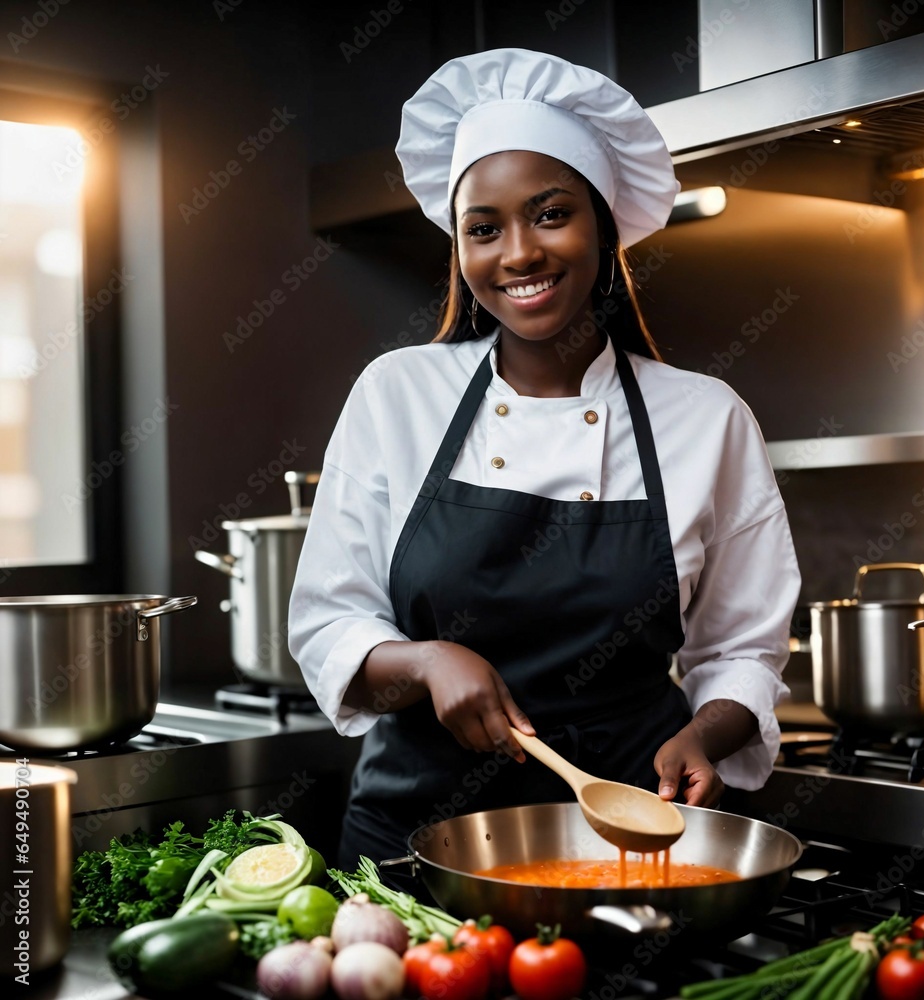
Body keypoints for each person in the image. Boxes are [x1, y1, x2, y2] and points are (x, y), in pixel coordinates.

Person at [289, 48, 801, 870]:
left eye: (550, 213)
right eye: (483, 229)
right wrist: (426, 661)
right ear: (459, 249)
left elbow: (742, 650)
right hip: (413, 849)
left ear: (602, 221)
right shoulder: (397, 393)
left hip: (629, 838)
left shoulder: (706, 417)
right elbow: (328, 622)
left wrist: (706, 733)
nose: (518, 253)